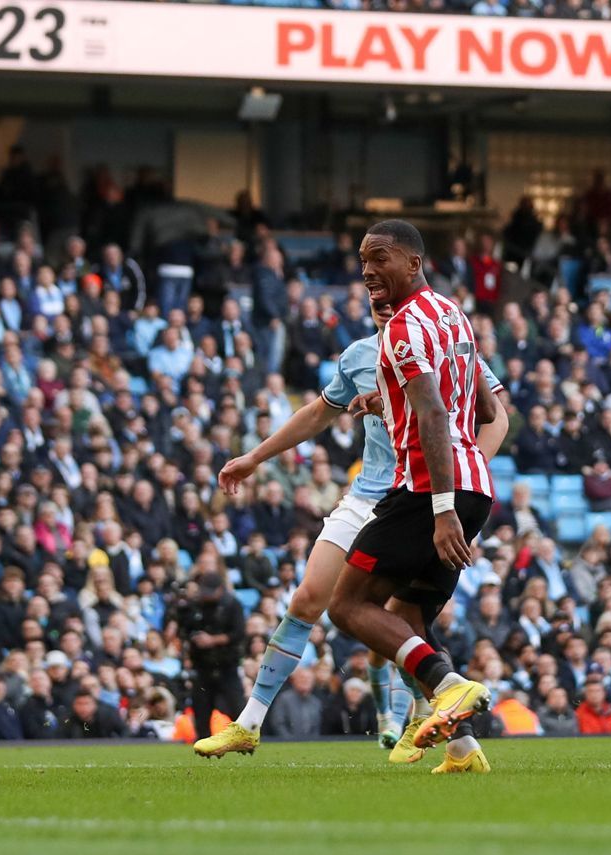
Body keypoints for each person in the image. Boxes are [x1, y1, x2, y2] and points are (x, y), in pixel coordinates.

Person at [193, 288, 507, 772]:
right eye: (372, 292)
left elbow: (495, 415)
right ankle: (249, 723)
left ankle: (442, 723)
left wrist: (461, 471)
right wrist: (256, 457)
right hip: (368, 496)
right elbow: (318, 413)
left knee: (396, 619)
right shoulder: (360, 355)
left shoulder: (440, 340)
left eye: (386, 289)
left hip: (421, 493)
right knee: (307, 600)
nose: (381, 299)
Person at [323, 220, 498, 776]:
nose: (369, 269)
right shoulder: (453, 315)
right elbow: (487, 411)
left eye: (380, 257)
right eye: (363, 259)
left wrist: (441, 510)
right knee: (406, 618)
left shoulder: (400, 330)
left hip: (428, 490)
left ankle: (449, 686)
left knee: (347, 605)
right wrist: (388, 401)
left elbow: (433, 413)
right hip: (475, 486)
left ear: (413, 262)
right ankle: (463, 748)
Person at [174, 572, 245, 740]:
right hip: (202, 666)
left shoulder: (232, 605)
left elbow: (238, 634)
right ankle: (203, 744)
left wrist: (212, 640)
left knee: (237, 707)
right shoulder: (194, 606)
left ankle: (245, 740)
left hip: (227, 665)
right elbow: (184, 630)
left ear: (220, 589)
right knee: (201, 709)